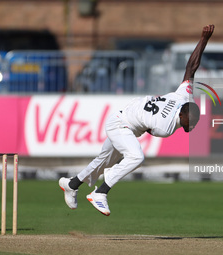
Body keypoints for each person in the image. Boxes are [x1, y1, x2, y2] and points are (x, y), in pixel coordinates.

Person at [59, 24, 215, 216]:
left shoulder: (182, 96)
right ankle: (100, 192)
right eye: (190, 121)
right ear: (182, 115)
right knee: (136, 157)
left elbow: (191, 67)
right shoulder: (165, 128)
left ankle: (71, 184)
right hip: (121, 124)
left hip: (126, 119)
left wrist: (203, 40)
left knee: (103, 161)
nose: (191, 126)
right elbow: (148, 129)